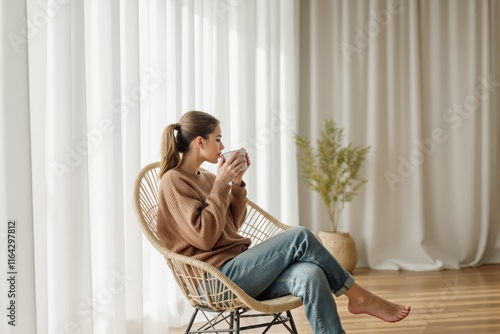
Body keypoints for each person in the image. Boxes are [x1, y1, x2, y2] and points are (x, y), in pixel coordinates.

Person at [156, 110, 411, 334]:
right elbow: (204, 237)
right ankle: (359, 296)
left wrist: (235, 184)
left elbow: (232, 226)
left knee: (311, 274)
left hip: (239, 272)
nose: (222, 146)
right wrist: (222, 183)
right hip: (213, 281)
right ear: (200, 142)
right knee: (301, 235)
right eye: (218, 139)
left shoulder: (209, 179)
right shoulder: (173, 181)